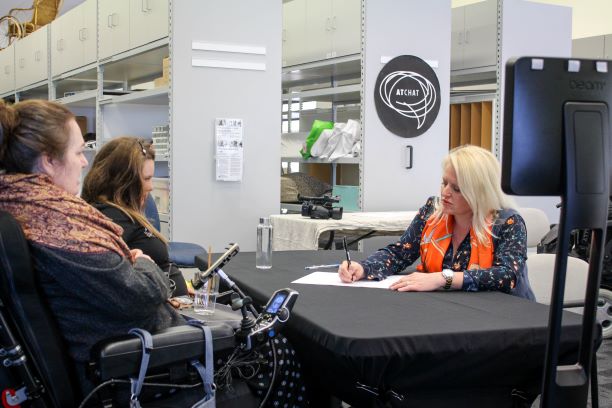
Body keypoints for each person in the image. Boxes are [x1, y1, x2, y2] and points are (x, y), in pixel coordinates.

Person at [339, 145, 535, 300]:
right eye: (444, 183)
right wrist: (364, 268)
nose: (445, 193)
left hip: (506, 317)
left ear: (480, 193)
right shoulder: (432, 212)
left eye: (456, 189)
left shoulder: (508, 222)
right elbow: (400, 253)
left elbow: (506, 276)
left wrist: (443, 278)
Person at [81, 136, 190, 299]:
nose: (151, 186)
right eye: (146, 178)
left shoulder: (122, 212)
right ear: (123, 180)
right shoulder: (110, 218)